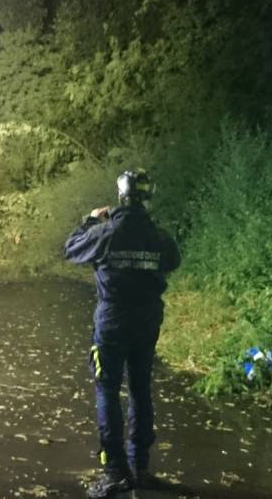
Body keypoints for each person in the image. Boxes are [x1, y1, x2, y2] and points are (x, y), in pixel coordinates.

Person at [63, 169, 181, 498]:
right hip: (146, 321)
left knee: (108, 391)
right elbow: (173, 260)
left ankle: (115, 471)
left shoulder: (105, 232)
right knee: (141, 389)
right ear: (148, 197)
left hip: (112, 320)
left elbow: (71, 249)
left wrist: (89, 220)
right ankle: (140, 467)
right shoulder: (158, 236)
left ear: (121, 196)